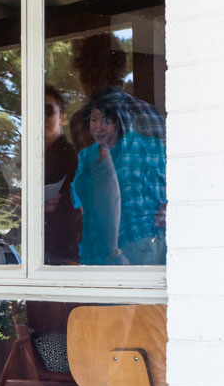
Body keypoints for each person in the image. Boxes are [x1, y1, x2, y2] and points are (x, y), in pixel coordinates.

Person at [71, 87, 166, 265]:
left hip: (130, 244)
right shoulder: (88, 155)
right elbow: (80, 203)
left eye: (107, 121)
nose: (98, 128)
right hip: (108, 247)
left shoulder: (142, 148)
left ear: (119, 122)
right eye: (94, 120)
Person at [43, 84, 79, 264]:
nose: (42, 118)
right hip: (42, 254)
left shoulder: (69, 156)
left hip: (66, 255)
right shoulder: (33, 159)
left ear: (62, 118)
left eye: (48, 111)